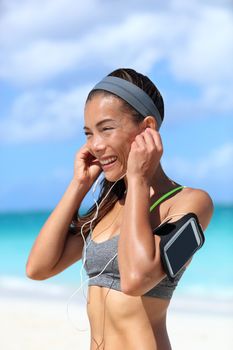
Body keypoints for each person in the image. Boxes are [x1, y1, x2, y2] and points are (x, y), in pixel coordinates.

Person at [26, 68, 214, 350]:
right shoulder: (108, 206)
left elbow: (136, 279)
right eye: (89, 134)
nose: (95, 145)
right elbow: (38, 268)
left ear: (147, 129)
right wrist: (79, 185)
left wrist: (138, 179)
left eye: (106, 128)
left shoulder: (191, 203)